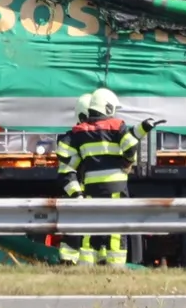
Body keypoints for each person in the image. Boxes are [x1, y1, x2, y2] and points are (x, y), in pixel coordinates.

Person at [55, 88, 154, 267]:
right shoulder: (113, 126)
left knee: (89, 231)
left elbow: (65, 165)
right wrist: (127, 161)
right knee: (115, 229)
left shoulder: (77, 135)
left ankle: (88, 265)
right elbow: (128, 141)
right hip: (112, 188)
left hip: (89, 192)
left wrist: (76, 195)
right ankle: (112, 265)